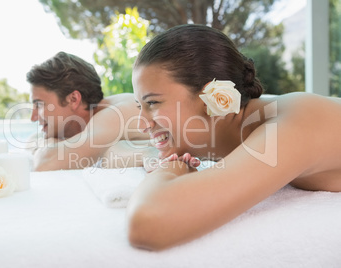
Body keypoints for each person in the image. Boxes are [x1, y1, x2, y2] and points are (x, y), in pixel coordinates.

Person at [126, 24, 341, 251]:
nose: (142, 124)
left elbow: (149, 223)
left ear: (214, 97)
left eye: (152, 103)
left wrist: (171, 168)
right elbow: (123, 152)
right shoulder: (254, 121)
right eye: (139, 105)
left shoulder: (295, 126)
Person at [26, 52, 154, 171]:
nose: (33, 117)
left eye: (39, 104)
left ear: (73, 99)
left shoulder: (113, 115)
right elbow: (32, 140)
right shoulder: (90, 126)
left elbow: (45, 161)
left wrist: (51, 145)